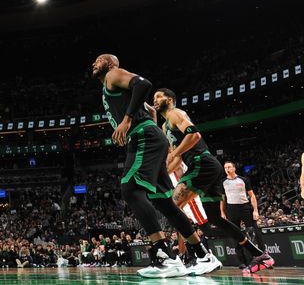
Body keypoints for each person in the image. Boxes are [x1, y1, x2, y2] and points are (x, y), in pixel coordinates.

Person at [90, 54, 219, 278]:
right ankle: (202, 254)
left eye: (100, 59)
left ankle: (164, 256)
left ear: (111, 63)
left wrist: (128, 119)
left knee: (130, 189)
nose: (95, 62)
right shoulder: (112, 86)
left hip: (142, 136)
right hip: (151, 136)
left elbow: (143, 84)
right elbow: (150, 110)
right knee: (164, 202)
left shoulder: (113, 74)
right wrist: (156, 132)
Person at [154, 88, 273, 274]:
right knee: (215, 219)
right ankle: (260, 254)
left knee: (173, 205)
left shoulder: (175, 113)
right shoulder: (164, 126)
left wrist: (175, 153)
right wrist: (160, 174)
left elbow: (195, 135)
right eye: (154, 98)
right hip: (206, 167)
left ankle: (196, 256)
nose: (155, 100)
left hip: (203, 163)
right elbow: (177, 158)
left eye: (159, 96)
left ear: (170, 99)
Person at [222, 161, 269, 267]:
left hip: (245, 207)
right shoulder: (223, 182)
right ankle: (242, 262)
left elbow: (252, 196)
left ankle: (264, 258)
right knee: (235, 234)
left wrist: (255, 210)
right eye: (225, 167)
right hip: (231, 209)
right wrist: (222, 212)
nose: (227, 169)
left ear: (234, 168)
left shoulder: (243, 180)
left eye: (229, 167)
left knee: (254, 232)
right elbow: (222, 198)